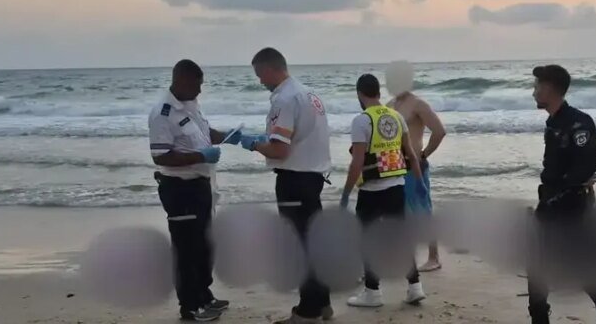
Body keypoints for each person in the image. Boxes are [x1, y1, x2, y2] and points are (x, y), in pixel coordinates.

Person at [239, 48, 333, 324]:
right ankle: (322, 303)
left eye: (260, 74)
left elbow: (279, 150)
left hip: (294, 179)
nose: (260, 81)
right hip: (313, 176)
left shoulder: (284, 99)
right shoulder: (309, 95)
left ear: (270, 69)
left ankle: (307, 311)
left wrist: (254, 144)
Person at [525, 65, 596, 324]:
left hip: (572, 208)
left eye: (537, 87)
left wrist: (567, 185)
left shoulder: (578, 122)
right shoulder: (553, 122)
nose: (534, 92)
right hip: (551, 203)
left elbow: (588, 162)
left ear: (549, 89)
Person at [148, 59, 238, 322]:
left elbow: (205, 132)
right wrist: (201, 156)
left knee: (203, 245)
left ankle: (204, 295)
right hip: (180, 189)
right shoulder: (163, 113)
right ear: (181, 81)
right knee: (187, 249)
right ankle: (190, 306)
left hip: (200, 185)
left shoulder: (190, 105)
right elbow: (160, 155)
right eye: (197, 85)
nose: (200, 90)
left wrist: (230, 136)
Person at [341, 73, 429, 308]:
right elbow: (411, 155)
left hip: (371, 192)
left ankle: (372, 292)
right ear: (379, 93)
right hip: (396, 188)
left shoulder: (362, 121)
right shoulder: (396, 116)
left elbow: (357, 163)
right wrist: (420, 183)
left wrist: (346, 193)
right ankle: (415, 287)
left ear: (360, 94)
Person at [385, 60, 447, 271]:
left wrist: (423, 154)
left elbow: (439, 131)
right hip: (394, 165)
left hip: (415, 166)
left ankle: (434, 256)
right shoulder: (389, 106)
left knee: (422, 209)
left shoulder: (418, 104)